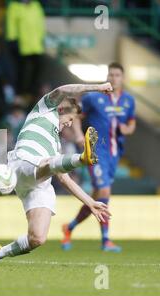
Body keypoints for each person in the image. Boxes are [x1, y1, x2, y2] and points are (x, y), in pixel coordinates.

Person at [0, 82, 112, 266]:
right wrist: (98, 87)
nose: (69, 124)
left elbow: (63, 177)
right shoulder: (45, 109)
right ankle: (81, 158)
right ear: (62, 108)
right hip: (23, 163)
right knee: (49, 163)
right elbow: (63, 90)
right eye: (70, 119)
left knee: (37, 238)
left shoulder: (56, 145)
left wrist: (90, 203)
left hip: (38, 183)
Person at [61, 63, 136, 252]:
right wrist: (78, 135)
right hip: (96, 152)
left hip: (114, 154)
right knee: (104, 192)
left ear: (123, 78)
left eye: (117, 75)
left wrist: (127, 129)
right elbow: (76, 115)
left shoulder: (128, 101)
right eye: (111, 74)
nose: (113, 78)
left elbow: (131, 124)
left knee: (96, 198)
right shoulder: (94, 98)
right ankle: (106, 240)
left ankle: (69, 228)